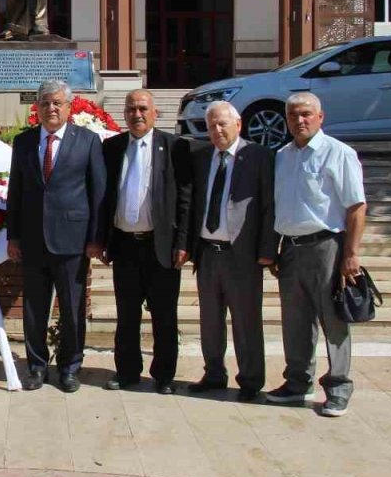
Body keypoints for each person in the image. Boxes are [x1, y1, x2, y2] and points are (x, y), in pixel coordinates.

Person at [269, 92, 367, 417]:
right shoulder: (282, 156)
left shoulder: (338, 153)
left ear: (320, 117)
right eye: (294, 115)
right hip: (291, 249)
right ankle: (298, 381)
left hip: (328, 247)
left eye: (306, 114)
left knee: (333, 320)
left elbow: (356, 206)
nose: (300, 120)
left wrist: (351, 254)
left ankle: (338, 386)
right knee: (295, 322)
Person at [6, 79, 106, 392]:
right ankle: (36, 366)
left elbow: (98, 191)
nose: (51, 108)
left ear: (69, 107)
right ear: (36, 107)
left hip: (73, 241)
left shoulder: (88, 141)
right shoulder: (23, 143)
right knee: (34, 310)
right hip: (34, 240)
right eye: (45, 102)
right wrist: (13, 236)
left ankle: (70, 367)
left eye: (57, 103)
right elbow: (16, 192)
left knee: (73, 309)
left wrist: (95, 238)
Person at [99, 89, 192, 395]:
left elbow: (184, 199)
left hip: (161, 246)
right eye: (130, 109)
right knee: (127, 314)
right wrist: (101, 240)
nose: (136, 114)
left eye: (142, 109)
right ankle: (127, 372)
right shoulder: (112, 148)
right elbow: (103, 198)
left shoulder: (174, 147)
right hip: (125, 245)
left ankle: (164, 376)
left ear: (155, 113)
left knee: (164, 315)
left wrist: (182, 242)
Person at [185, 101, 276, 403]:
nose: (217, 130)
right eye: (211, 125)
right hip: (208, 253)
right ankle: (214, 373)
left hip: (243, 255)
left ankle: (250, 380)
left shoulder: (259, 157)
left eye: (222, 123)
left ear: (238, 123)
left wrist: (267, 249)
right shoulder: (200, 157)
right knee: (210, 320)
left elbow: (268, 206)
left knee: (246, 320)